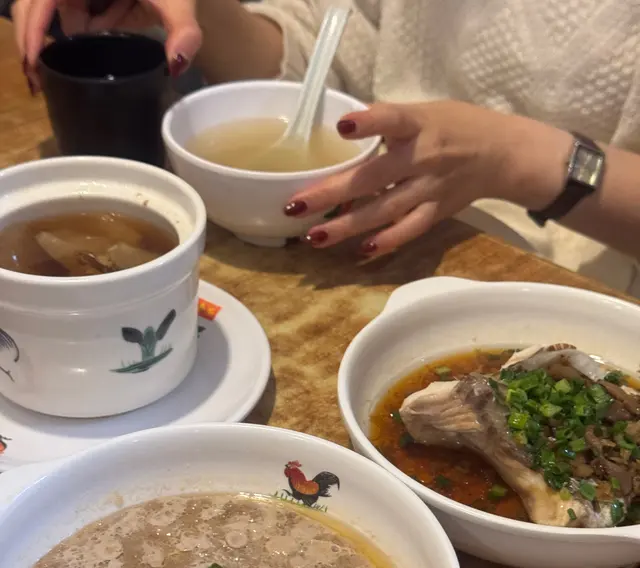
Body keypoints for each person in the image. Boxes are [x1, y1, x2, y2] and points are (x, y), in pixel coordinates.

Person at [12, 0, 640, 290]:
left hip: (570, 280)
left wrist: (515, 157)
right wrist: (198, 10)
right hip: (361, 241)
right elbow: (334, 41)